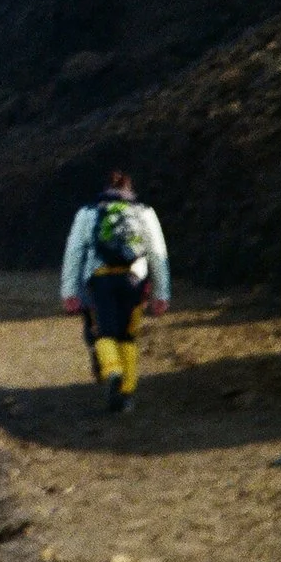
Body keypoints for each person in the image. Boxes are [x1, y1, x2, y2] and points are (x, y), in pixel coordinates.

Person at [61, 171, 171, 413]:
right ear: (130, 189)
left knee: (104, 333)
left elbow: (74, 253)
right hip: (135, 280)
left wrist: (70, 291)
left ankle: (112, 371)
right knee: (127, 336)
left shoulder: (88, 213)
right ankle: (127, 395)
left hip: (100, 280)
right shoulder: (144, 212)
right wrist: (161, 294)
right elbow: (157, 253)